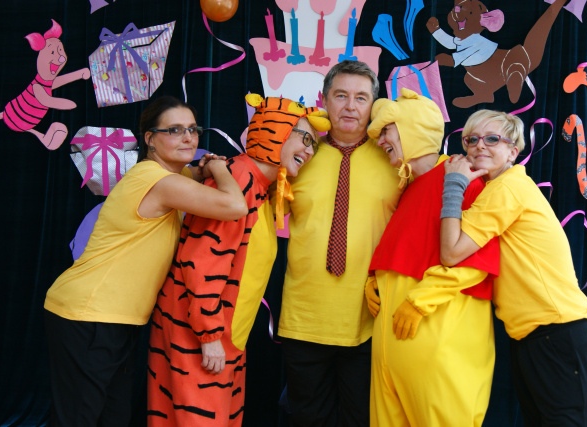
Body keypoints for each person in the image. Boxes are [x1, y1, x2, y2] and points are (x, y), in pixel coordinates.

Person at [43, 95, 248, 427]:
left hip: (116, 318)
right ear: (150, 138)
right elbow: (235, 206)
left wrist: (200, 170)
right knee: (79, 418)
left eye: (193, 129)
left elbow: (187, 178)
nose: (188, 138)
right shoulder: (156, 180)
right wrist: (218, 168)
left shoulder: (163, 177)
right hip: (89, 313)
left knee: (114, 417)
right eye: (175, 130)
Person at [147, 94, 331, 426]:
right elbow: (202, 260)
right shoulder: (239, 178)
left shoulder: (259, 186)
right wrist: (209, 336)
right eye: (304, 138)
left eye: (313, 145)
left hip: (224, 338)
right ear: (275, 130)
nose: (308, 150)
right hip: (200, 336)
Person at [440, 110, 587, 426]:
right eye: (471, 140)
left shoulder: (508, 188)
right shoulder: (498, 189)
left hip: (558, 333)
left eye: (492, 139)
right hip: (532, 338)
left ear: (513, 152)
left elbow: (450, 252)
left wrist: (454, 183)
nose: (479, 146)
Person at [364, 88, 500, 426]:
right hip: (389, 356)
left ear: (412, 128)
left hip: (438, 349)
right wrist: (375, 279)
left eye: (387, 131)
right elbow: (401, 250)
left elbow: (478, 261)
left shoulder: (462, 177)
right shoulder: (407, 188)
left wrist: (420, 301)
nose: (381, 141)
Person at [277, 60, 402, 426]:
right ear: (323, 100)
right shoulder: (298, 155)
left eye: (361, 98)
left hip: (369, 321)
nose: (350, 106)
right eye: (341, 95)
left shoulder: (396, 159)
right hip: (304, 316)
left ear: (373, 105)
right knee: (307, 420)